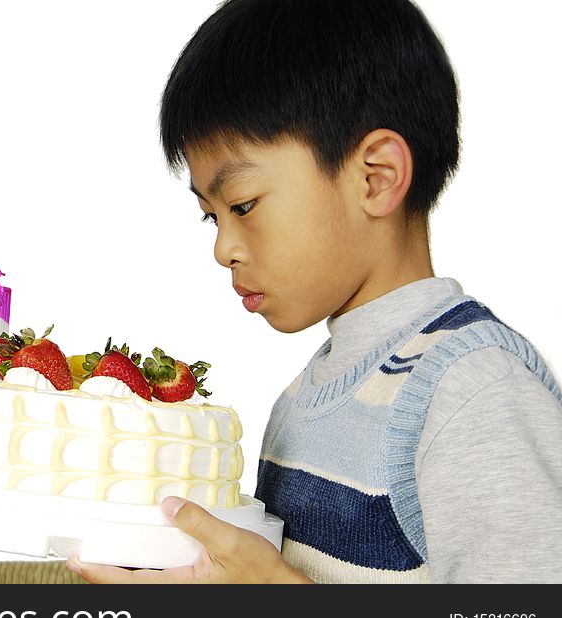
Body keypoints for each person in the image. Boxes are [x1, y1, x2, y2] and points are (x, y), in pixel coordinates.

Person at [66, 0, 562, 583]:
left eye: (243, 204)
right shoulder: (304, 400)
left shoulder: (472, 392)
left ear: (375, 178)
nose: (223, 248)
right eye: (213, 217)